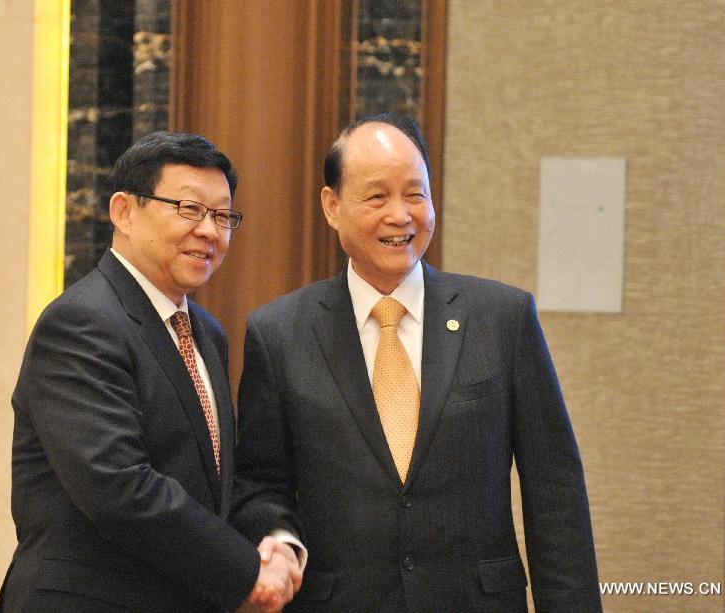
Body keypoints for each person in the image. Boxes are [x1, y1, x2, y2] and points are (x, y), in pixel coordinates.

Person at [231, 113, 601, 612]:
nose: (400, 215)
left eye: (415, 193)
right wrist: (279, 541)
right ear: (332, 206)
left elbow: (554, 490)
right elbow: (259, 483)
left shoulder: (502, 318)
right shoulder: (279, 333)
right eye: (377, 196)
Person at [0, 131, 300, 612]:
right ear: (124, 212)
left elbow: (215, 483)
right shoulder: (82, 322)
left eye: (223, 216)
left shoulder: (206, 332)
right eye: (189, 209)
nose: (209, 231)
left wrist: (274, 541)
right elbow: (120, 487)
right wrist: (245, 573)